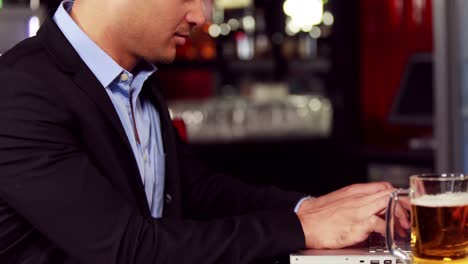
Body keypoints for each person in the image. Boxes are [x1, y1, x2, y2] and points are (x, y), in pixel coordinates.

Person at [0, 0, 410, 263]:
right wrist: (304, 228)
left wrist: (312, 208)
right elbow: (128, 249)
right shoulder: (19, 90)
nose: (202, 16)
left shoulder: (136, 80)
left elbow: (199, 192)